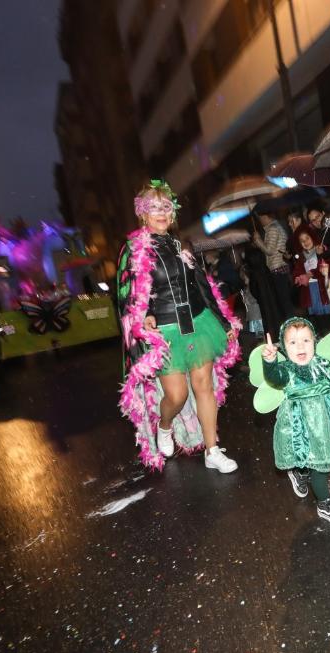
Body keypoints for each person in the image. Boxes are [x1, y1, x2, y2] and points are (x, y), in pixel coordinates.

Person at [117, 180, 241, 472]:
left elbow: (202, 286)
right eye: (154, 208)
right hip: (166, 330)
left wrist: (223, 321)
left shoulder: (181, 245)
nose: (161, 213)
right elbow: (128, 295)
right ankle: (165, 425)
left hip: (198, 323)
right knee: (177, 395)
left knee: (204, 387)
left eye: (166, 207)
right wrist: (143, 316)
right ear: (143, 214)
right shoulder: (133, 249)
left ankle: (212, 450)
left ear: (172, 214)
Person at [258, 318, 330, 523]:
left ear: (314, 343)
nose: (300, 346)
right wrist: (270, 361)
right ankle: (324, 502)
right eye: (293, 342)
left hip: (324, 421)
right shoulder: (286, 371)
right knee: (317, 462)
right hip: (298, 422)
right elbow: (273, 378)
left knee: (320, 458)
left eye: (306, 341)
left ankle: (301, 473)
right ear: (284, 347)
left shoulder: (322, 364)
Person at [291, 226, 330, 334]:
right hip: (310, 290)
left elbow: (328, 266)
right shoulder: (301, 257)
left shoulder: (321, 249)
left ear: (312, 237)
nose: (305, 242)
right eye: (302, 241)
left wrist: (312, 272)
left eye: (307, 238)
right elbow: (297, 270)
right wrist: (298, 277)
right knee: (316, 317)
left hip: (323, 288)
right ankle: (321, 336)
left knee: (327, 315)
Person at [252, 211, 296, 320]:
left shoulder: (272, 229)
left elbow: (269, 250)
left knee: (284, 300)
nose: (260, 221)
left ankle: (291, 324)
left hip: (278, 267)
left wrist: (258, 241)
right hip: (281, 266)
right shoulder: (276, 227)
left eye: (260, 218)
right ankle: (292, 323)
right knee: (285, 299)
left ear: (265, 216)